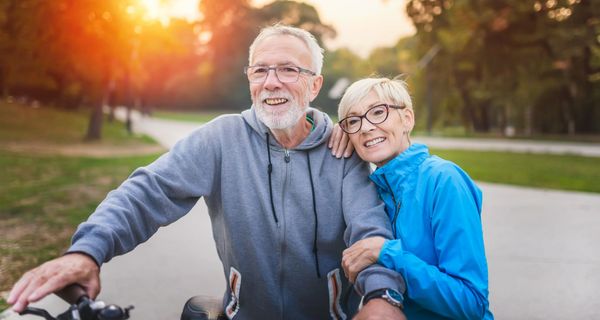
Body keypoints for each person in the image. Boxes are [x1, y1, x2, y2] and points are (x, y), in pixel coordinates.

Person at [8, 25, 407, 319]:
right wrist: (87, 251)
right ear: (249, 79)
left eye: (288, 70)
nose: (271, 82)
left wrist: (382, 298)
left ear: (314, 84)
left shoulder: (341, 149)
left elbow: (369, 232)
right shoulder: (222, 138)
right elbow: (148, 192)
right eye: (260, 70)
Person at [331, 77, 494, 319]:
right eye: (354, 121)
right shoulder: (372, 191)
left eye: (378, 113)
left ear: (407, 119)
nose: (365, 128)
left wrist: (388, 253)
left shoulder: (443, 180)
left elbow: (471, 301)